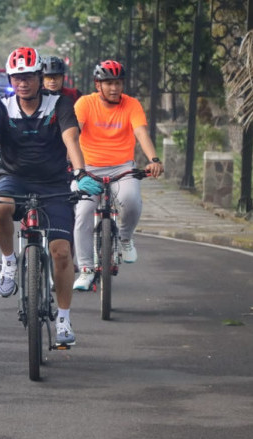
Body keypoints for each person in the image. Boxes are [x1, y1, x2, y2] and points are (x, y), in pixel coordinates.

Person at [0, 47, 87, 345]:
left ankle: (64, 319)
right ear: (10, 79)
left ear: (40, 77)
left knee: (61, 252)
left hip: (55, 183)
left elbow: (71, 138)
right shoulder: (1, 107)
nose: (23, 83)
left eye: (29, 77)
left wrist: (81, 173)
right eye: (17, 78)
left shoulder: (60, 104)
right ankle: (8, 262)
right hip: (14, 179)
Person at [71, 60, 164, 291]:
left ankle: (124, 237)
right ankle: (85, 269)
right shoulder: (84, 103)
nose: (114, 88)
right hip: (89, 168)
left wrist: (153, 159)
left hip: (122, 168)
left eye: (118, 83)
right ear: (98, 85)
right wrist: (75, 168)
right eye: (109, 83)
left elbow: (141, 132)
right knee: (83, 213)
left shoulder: (131, 104)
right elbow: (74, 133)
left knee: (131, 200)